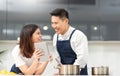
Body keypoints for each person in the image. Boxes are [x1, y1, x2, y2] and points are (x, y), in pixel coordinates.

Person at [50, 8, 88, 75]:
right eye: (52, 23)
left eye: (56, 23)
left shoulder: (78, 36)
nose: (54, 26)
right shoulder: (56, 37)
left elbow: (82, 59)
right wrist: (59, 72)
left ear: (66, 21)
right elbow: (58, 59)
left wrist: (67, 72)